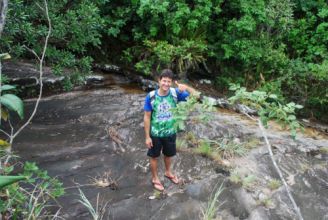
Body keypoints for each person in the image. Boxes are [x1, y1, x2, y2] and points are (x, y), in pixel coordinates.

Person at [144, 69, 197, 191]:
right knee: (154, 156)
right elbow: (147, 116)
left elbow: (195, 96)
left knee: (169, 155)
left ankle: (168, 172)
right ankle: (155, 178)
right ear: (159, 81)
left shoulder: (175, 93)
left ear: (172, 82)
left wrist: (186, 88)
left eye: (169, 81)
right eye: (164, 81)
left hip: (170, 132)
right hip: (155, 134)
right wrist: (147, 137)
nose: (166, 84)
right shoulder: (151, 96)